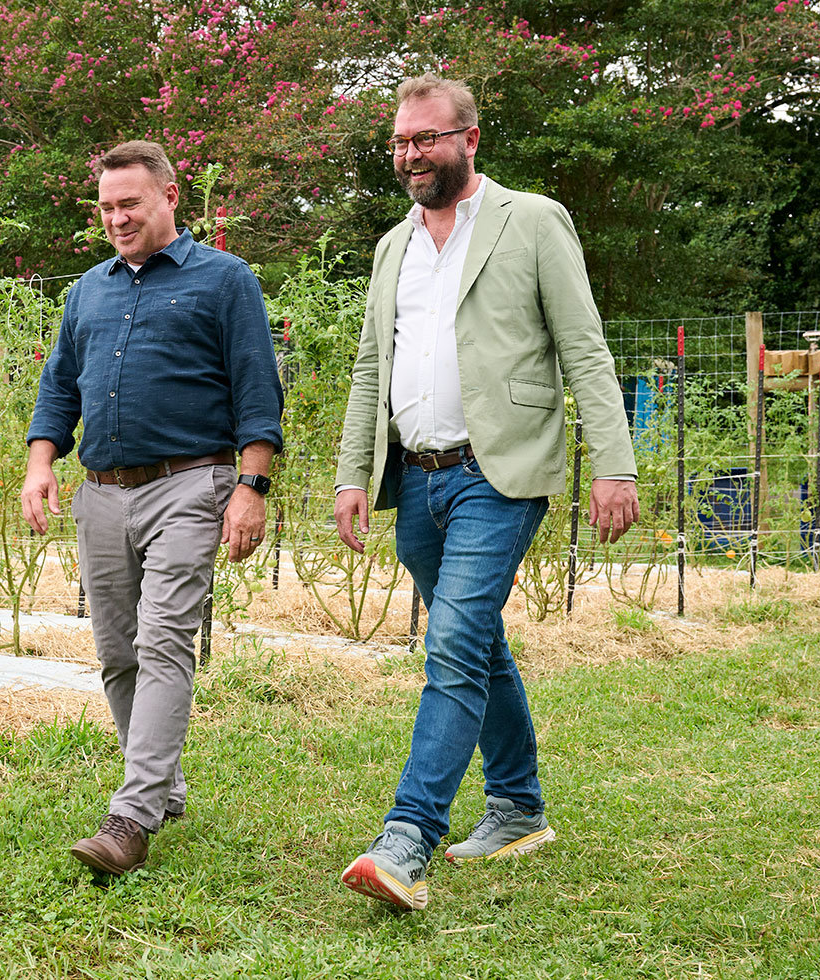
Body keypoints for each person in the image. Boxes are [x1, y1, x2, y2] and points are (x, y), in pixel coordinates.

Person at [332, 75, 640, 911]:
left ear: (470, 139)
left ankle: (405, 841)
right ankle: (518, 808)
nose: (409, 155)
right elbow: (372, 368)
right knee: (476, 645)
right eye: (399, 142)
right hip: (418, 480)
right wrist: (353, 472)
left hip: (496, 475)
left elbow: (585, 347)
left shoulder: (530, 221)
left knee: (453, 646)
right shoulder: (393, 246)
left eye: (426, 138)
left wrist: (616, 464)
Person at [21, 140, 283, 875]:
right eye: (105, 207)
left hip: (189, 485)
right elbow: (58, 390)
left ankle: (131, 817)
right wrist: (42, 464)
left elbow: (258, 393)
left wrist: (250, 488)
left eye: (129, 203)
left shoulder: (225, 281)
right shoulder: (88, 291)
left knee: (165, 639)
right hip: (102, 492)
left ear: (171, 194)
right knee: (116, 652)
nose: (117, 218)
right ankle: (162, 787)